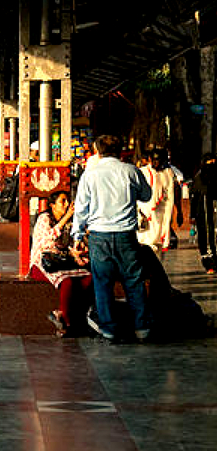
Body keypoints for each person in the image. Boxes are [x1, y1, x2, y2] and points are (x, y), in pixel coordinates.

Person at [71, 134, 153, 342]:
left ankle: (109, 329)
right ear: (119, 150)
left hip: (99, 236)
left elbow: (81, 208)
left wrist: (77, 234)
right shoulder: (131, 171)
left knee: (103, 283)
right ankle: (141, 328)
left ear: (98, 151)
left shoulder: (90, 174)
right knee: (134, 281)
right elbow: (146, 196)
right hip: (126, 235)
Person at [29, 190, 91, 336]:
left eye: (68, 201)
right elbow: (46, 242)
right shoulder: (44, 218)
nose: (67, 205)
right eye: (62, 201)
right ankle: (67, 325)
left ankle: (61, 314)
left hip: (65, 261)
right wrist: (66, 218)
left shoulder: (71, 221)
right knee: (67, 281)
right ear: (52, 205)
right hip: (44, 262)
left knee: (89, 278)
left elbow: (73, 241)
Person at [137, 148, 182, 255]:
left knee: (157, 249)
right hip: (144, 216)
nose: (157, 163)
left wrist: (178, 212)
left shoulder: (168, 173)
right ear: (150, 159)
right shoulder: (142, 172)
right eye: (155, 160)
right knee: (144, 245)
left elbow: (172, 195)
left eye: (160, 160)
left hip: (161, 217)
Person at [192, 154, 217, 273]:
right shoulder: (199, 178)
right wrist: (191, 215)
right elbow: (194, 197)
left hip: (215, 212)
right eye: (209, 163)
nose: (211, 166)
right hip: (203, 213)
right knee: (206, 236)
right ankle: (209, 264)